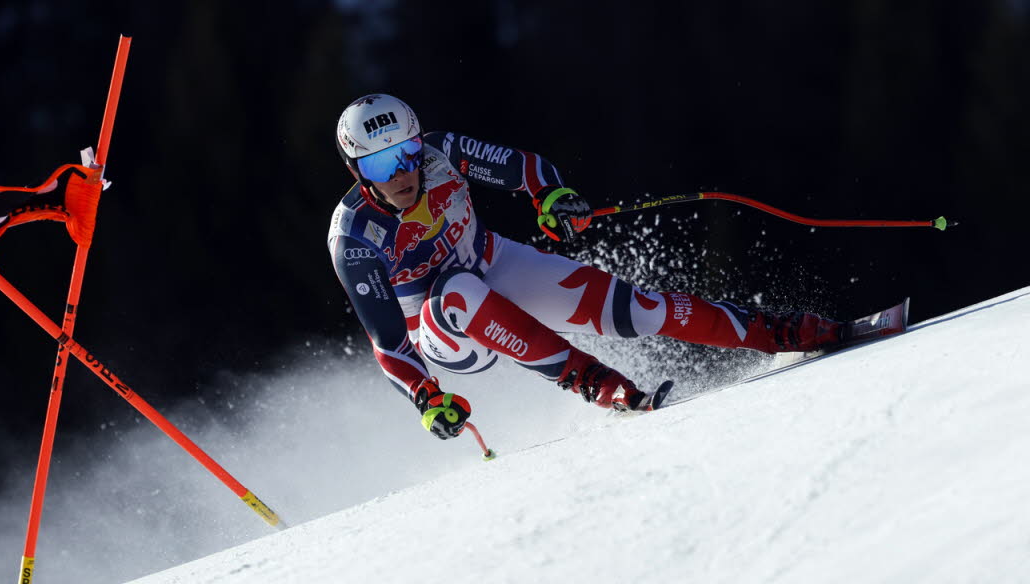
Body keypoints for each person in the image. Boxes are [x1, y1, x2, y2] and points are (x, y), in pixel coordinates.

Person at [328, 94, 842, 440]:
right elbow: (389, 342)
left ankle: (776, 332)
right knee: (459, 290)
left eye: (407, 153)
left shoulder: (445, 153)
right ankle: (596, 383)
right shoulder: (353, 234)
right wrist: (426, 397)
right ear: (357, 170)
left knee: (635, 308)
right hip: (441, 331)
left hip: (493, 260)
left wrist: (551, 196)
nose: (402, 174)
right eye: (380, 165)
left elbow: (525, 168)